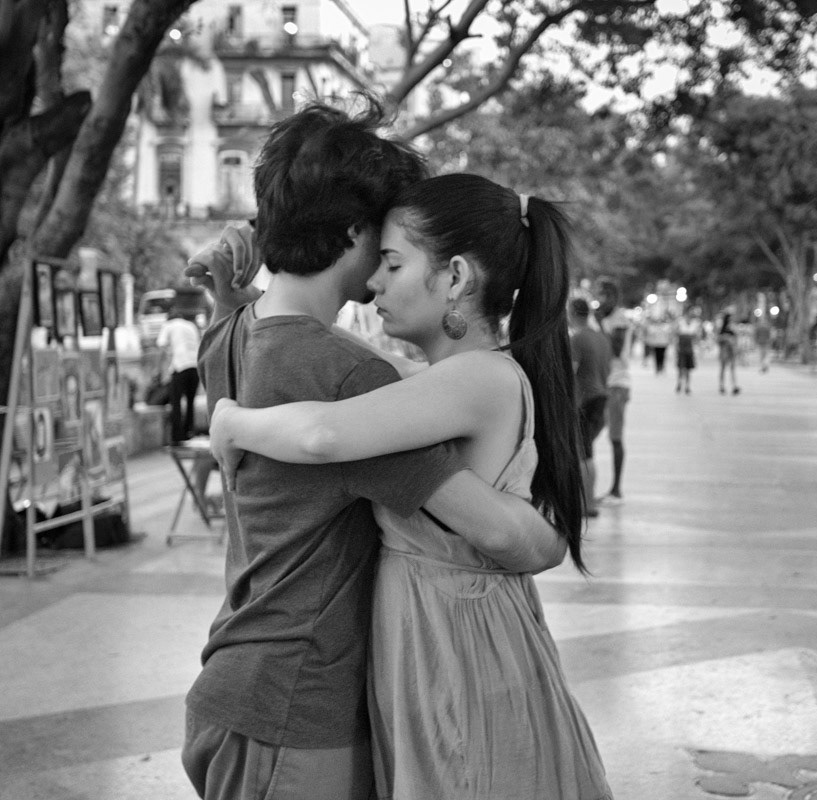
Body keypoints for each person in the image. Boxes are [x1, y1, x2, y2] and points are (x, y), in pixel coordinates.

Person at [179, 105, 565, 800]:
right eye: (383, 250)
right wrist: (551, 535)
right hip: (300, 703)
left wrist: (234, 279)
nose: (384, 275)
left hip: (235, 681)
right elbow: (504, 532)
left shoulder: (229, 335)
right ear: (355, 232)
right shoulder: (352, 378)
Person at [569, 296, 612, 518]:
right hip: (601, 398)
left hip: (585, 401)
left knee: (584, 454)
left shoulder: (578, 339)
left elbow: (570, 372)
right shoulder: (601, 338)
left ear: (573, 313)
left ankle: (588, 502)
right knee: (584, 451)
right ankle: (586, 498)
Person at [595, 278, 631, 505]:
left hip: (617, 383)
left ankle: (616, 490)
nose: (599, 300)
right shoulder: (604, 318)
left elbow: (616, 350)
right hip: (602, 383)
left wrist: (599, 325)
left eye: (603, 295)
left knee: (615, 438)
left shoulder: (619, 319)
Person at [156, 308, 201, 443]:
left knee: (175, 402)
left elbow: (162, 346)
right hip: (195, 366)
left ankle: (177, 437)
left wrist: (159, 369)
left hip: (180, 365)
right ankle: (189, 433)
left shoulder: (169, 325)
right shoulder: (191, 326)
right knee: (190, 402)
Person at [673, 306, 702, 394]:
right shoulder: (680, 321)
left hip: (690, 345)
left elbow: (698, 336)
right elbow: (675, 333)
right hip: (682, 344)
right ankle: (679, 383)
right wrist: (676, 345)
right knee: (681, 366)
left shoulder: (696, 322)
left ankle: (687, 385)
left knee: (688, 367)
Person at [716, 311, 741, 395]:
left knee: (732, 368)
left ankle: (734, 385)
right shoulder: (722, 328)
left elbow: (736, 339)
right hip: (724, 350)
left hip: (732, 350)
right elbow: (718, 339)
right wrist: (726, 338)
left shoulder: (734, 327)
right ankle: (721, 385)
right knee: (723, 368)